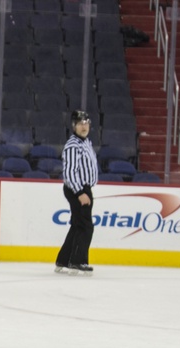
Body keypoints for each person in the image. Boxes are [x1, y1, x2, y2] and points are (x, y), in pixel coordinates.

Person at [56, 110, 99, 275]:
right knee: (85, 226)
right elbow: (70, 172)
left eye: (86, 123)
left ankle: (64, 259)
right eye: (81, 123)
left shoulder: (85, 142)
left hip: (83, 188)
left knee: (77, 224)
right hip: (77, 188)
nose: (84, 126)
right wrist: (80, 192)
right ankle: (77, 261)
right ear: (74, 126)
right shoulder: (73, 145)